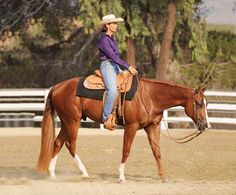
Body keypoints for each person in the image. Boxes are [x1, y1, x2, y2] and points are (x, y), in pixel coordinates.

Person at [97, 14, 137, 130]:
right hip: (107, 66)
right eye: (113, 23)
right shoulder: (104, 40)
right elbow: (113, 57)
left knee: (128, 82)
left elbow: (115, 58)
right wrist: (128, 66)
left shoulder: (111, 39)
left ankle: (121, 113)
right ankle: (105, 118)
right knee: (113, 91)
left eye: (116, 23)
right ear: (107, 26)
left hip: (114, 65)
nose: (116, 25)